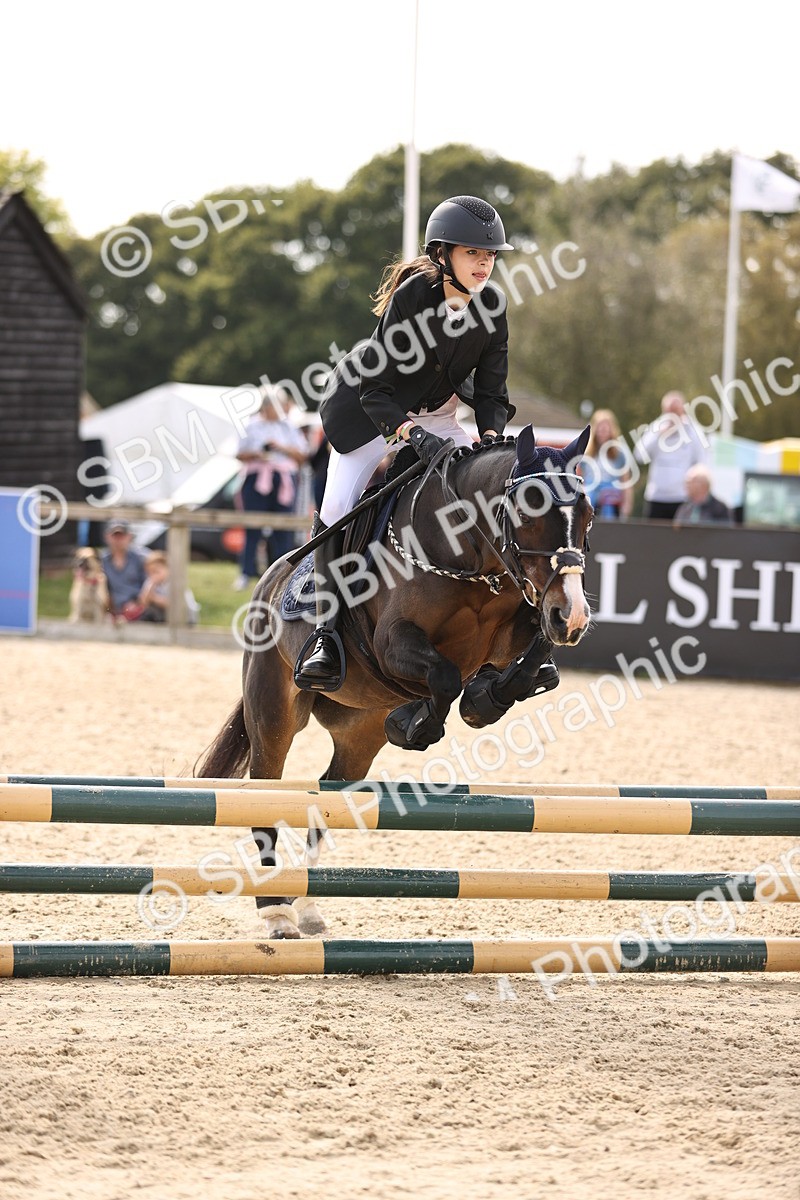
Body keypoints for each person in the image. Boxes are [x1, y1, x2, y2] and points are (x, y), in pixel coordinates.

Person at [295, 194, 516, 691]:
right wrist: (410, 435)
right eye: (473, 254)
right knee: (336, 510)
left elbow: (493, 393)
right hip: (372, 414)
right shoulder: (415, 296)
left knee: (486, 488)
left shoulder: (493, 307)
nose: (485, 264)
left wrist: (491, 438)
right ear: (443, 255)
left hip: (438, 414)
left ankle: (504, 620)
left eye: (491, 256)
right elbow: (377, 390)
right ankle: (325, 635)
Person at [233, 388, 309, 590]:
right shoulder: (251, 425)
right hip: (258, 477)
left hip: (283, 478)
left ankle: (281, 574)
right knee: (253, 526)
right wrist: (259, 454)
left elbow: (302, 456)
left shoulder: (289, 428)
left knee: (283, 528)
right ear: (267, 407)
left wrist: (280, 448)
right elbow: (239, 454)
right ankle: (246, 572)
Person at [634, 390, 707, 520]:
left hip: (682, 498)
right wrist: (658, 434)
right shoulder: (656, 427)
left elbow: (703, 460)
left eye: (676, 410)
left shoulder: (693, 431)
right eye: (669, 411)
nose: (673, 415)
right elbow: (639, 455)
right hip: (656, 497)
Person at [580, 409, 633, 519]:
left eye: (606, 426)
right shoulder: (587, 452)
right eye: (600, 426)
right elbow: (580, 478)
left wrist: (627, 504)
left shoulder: (619, 452)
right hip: (591, 491)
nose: (603, 430)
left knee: (608, 499)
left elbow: (626, 481)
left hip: (611, 494)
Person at [101, 519, 147, 620]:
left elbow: (147, 583)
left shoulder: (141, 558)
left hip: (137, 607)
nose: (118, 540)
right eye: (115, 536)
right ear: (107, 537)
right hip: (110, 609)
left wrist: (137, 602)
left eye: (121, 536)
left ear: (129, 537)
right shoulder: (101, 560)